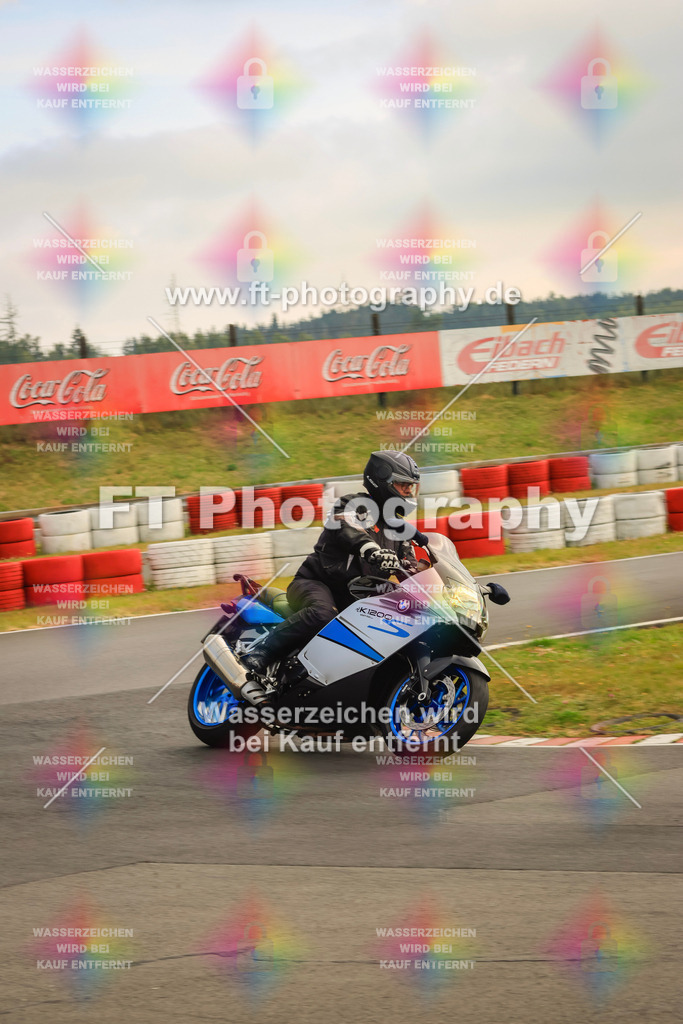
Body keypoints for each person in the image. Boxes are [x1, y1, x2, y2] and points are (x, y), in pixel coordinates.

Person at [240, 450, 421, 681]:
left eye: (411, 486)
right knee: (323, 614)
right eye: (403, 485)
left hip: (357, 599)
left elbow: (412, 569)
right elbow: (350, 531)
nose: (408, 491)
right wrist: (374, 552)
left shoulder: (400, 529)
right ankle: (262, 651)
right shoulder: (353, 505)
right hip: (316, 583)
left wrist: (437, 586)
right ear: (383, 481)